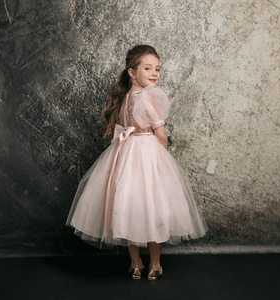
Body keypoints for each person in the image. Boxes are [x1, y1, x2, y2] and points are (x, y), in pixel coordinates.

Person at [66, 45, 208, 280]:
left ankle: (136, 264)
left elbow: (122, 128)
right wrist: (161, 159)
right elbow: (160, 134)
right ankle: (154, 264)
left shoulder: (123, 98)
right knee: (152, 208)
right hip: (145, 152)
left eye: (158, 69)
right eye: (148, 68)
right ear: (132, 72)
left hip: (124, 153)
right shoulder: (147, 97)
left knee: (127, 206)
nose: (155, 73)